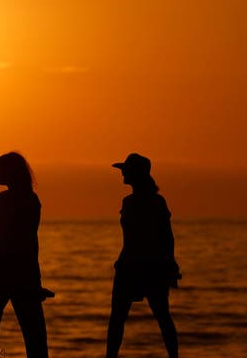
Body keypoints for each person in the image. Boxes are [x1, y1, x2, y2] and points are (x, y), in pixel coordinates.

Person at [0, 152, 51, 358]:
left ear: (11, 172)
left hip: (9, 273)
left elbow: (8, 241)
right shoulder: (25, 199)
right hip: (19, 273)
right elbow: (24, 242)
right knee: (33, 337)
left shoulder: (16, 200)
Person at [106, 153, 181, 358]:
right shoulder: (132, 201)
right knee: (153, 317)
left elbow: (167, 236)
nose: (122, 173)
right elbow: (167, 237)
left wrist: (170, 264)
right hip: (135, 265)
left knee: (155, 317)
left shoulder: (153, 202)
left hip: (143, 266)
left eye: (125, 170)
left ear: (135, 174)